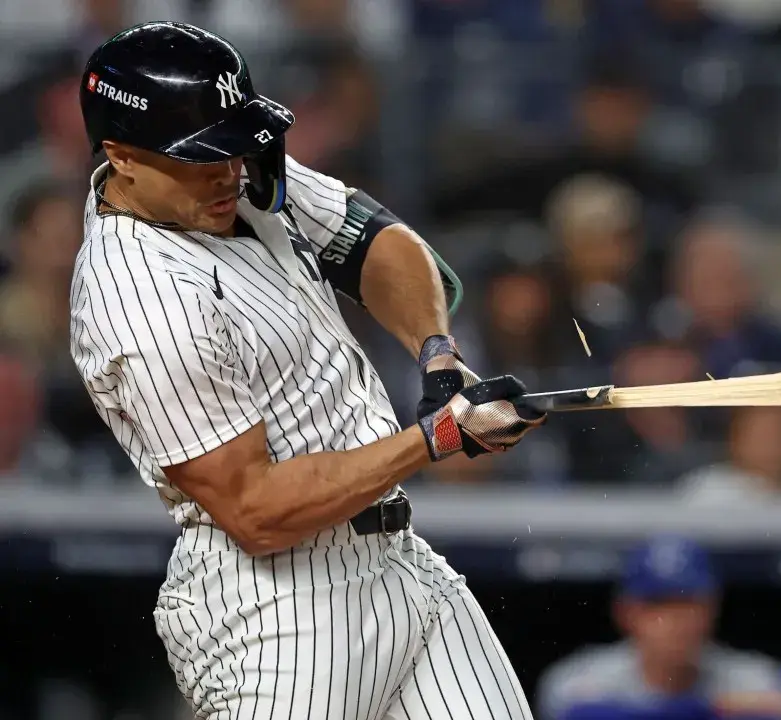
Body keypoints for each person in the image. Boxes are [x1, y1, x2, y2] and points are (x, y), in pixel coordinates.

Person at [69, 22, 545, 720]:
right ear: (122, 156)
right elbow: (257, 511)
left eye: (235, 148)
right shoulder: (137, 298)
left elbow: (378, 242)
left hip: (396, 561)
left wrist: (440, 356)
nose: (230, 171)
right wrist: (438, 436)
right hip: (279, 609)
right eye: (204, 157)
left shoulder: (234, 179)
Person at [538, 535, 781, 720]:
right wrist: (714, 709)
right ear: (625, 612)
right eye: (658, 605)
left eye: (687, 603)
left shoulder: (757, 680)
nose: (676, 621)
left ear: (712, 609)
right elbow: (576, 712)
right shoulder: (576, 681)